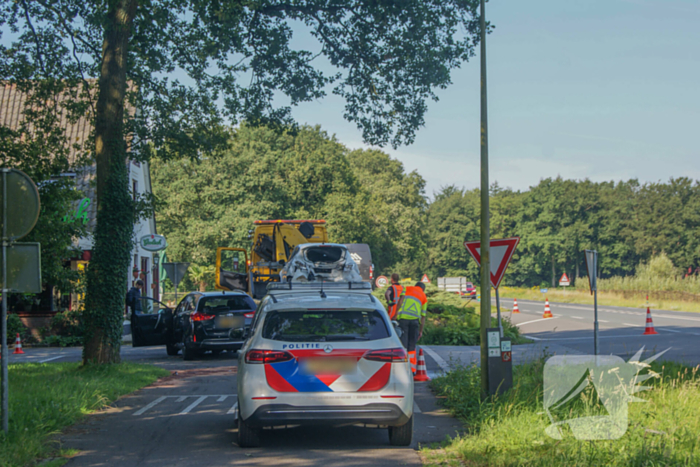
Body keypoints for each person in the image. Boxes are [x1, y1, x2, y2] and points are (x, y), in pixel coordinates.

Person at [395, 281, 428, 356]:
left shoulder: (406, 289)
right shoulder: (424, 296)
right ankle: (411, 364)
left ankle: (403, 362)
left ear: (415, 285)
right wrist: (420, 331)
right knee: (412, 344)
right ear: (423, 289)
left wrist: (395, 314)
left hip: (403, 319)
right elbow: (423, 316)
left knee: (403, 342)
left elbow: (399, 301)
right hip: (415, 321)